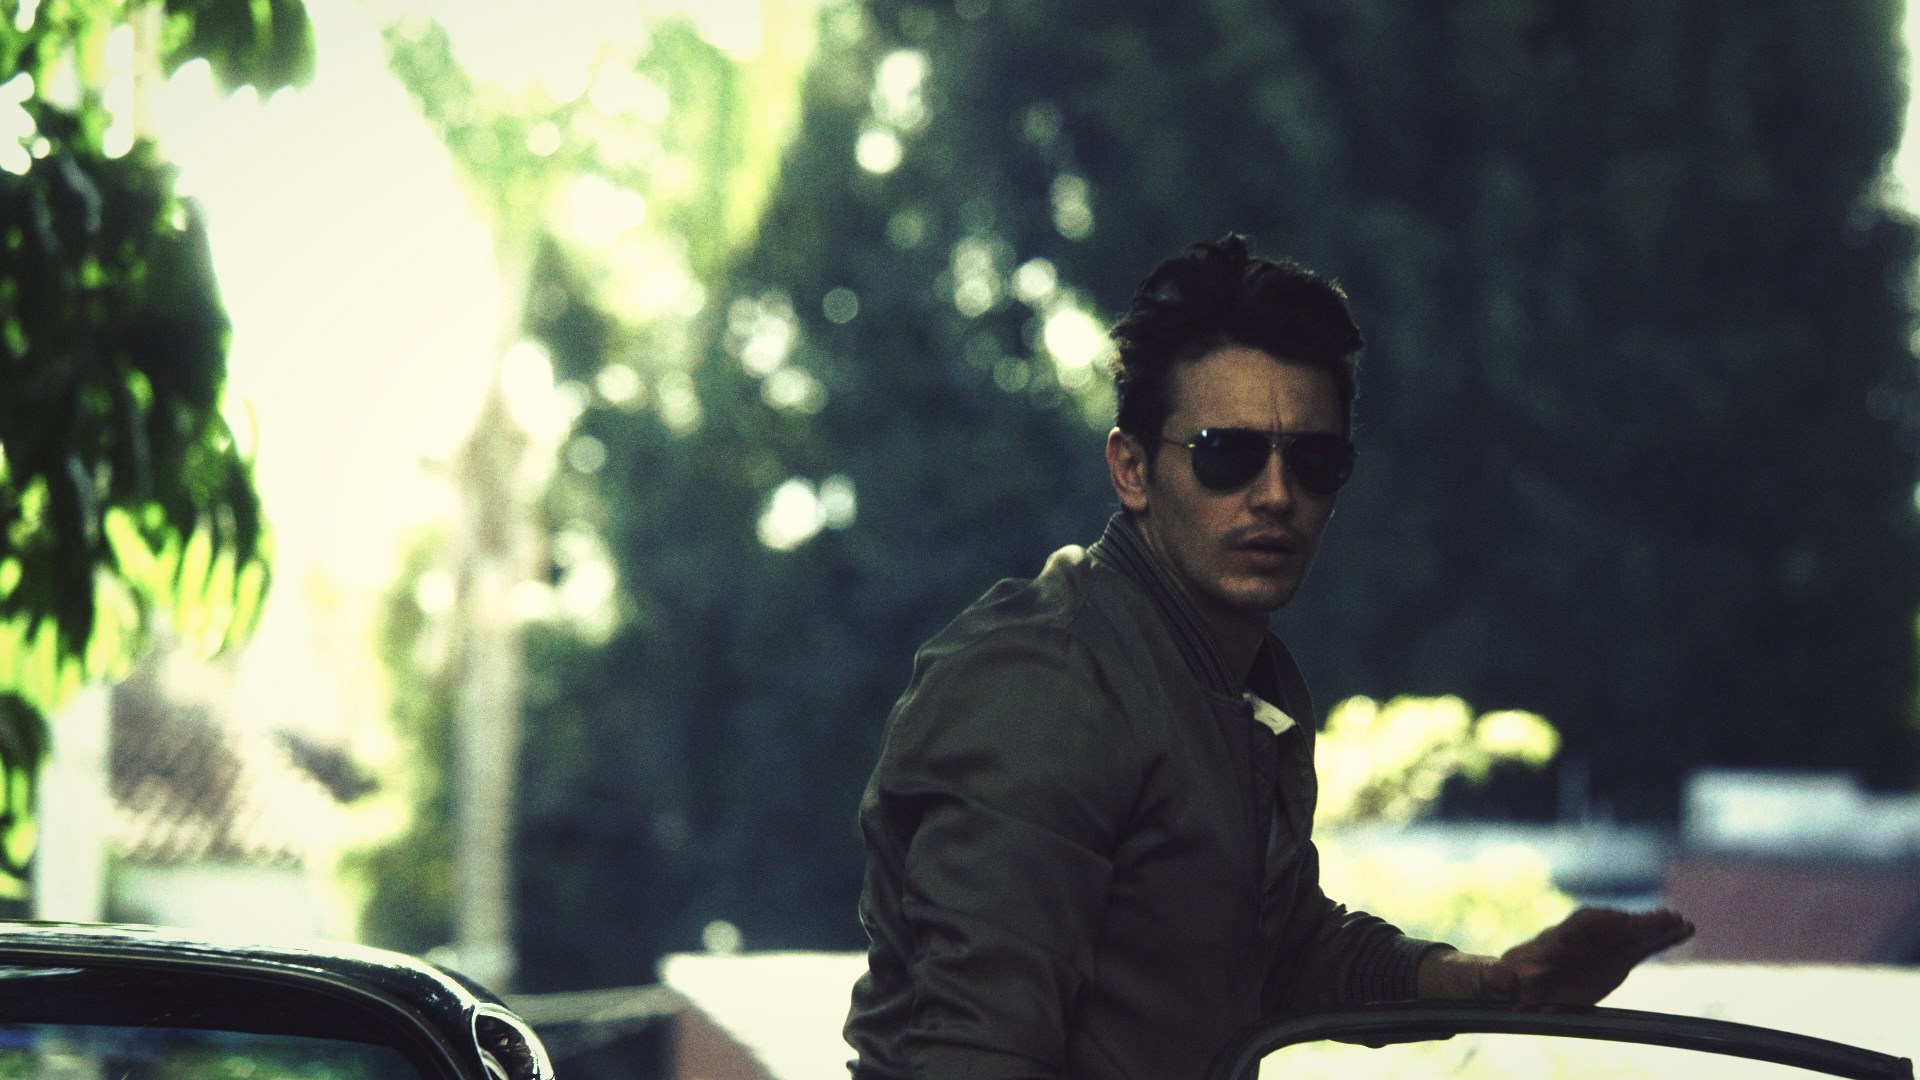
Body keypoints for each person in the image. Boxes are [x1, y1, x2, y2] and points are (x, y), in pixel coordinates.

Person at [842, 235, 1694, 1080]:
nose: (1278, 494)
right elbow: (974, 1052)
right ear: (1131, 468)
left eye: (1315, 461)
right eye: (1228, 453)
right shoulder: (1050, 687)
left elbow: (1271, 947)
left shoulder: (1235, 677)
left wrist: (1495, 982)